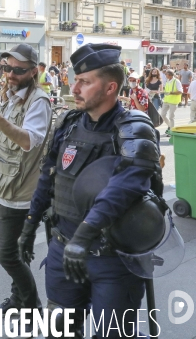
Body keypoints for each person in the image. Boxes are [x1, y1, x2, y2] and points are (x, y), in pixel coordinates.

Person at [19, 44, 161, 337]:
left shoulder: (134, 127)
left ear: (110, 87)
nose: (75, 86)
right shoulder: (69, 124)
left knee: (112, 333)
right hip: (63, 250)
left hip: (113, 259)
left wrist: (83, 237)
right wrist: (29, 226)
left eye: (85, 81)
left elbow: (125, 186)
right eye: (75, 79)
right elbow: (48, 175)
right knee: (60, 329)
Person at [0, 44, 52, 315]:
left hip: (20, 192)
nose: (10, 74)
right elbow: (4, 136)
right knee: (18, 254)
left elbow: (29, 140)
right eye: (7, 67)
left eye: (18, 70)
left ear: (33, 71)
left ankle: (31, 308)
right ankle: (18, 301)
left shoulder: (38, 101)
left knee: (7, 254)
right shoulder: (13, 95)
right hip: (2, 184)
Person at [161, 68, 183, 135]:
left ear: (170, 75)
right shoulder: (168, 80)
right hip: (166, 100)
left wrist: (171, 93)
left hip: (173, 101)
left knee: (171, 117)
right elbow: (167, 90)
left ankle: (171, 131)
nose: (165, 75)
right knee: (163, 115)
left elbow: (180, 91)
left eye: (166, 74)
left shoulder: (176, 81)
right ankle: (170, 126)